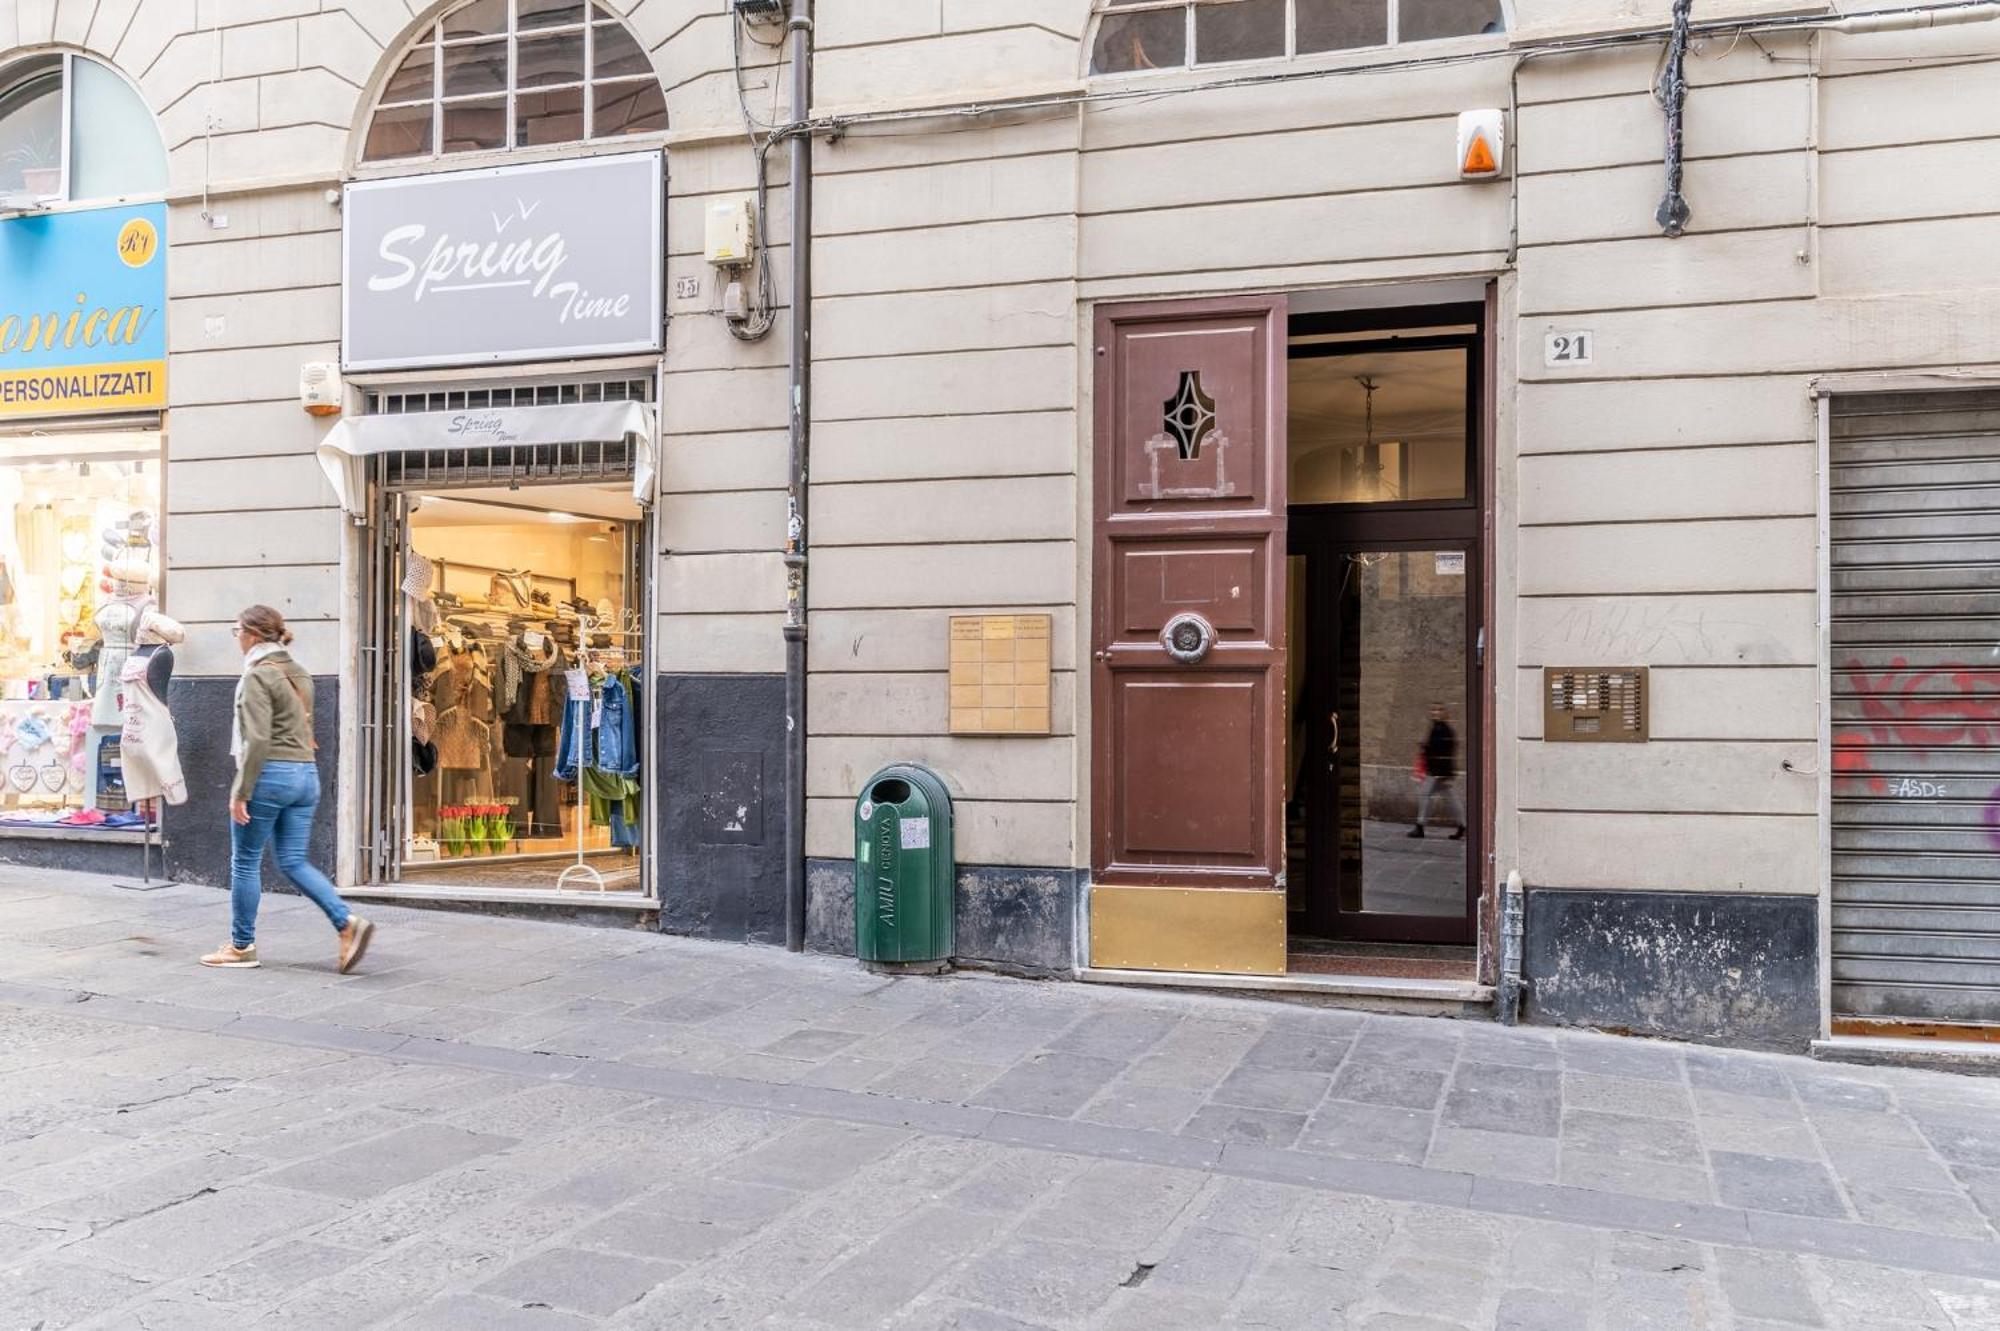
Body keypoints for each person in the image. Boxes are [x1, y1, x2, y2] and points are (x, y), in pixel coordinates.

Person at [200, 606, 375, 972]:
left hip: (270, 775)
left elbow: (258, 739)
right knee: (293, 860)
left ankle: (241, 946)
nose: (237, 639)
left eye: (237, 632)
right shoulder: (299, 672)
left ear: (250, 634)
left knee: (245, 862)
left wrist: (241, 790)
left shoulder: (256, 677)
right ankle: (346, 922)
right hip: (305, 775)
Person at [1409, 702, 1466, 841]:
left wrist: (1445, 774)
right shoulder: (1436, 728)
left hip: (1438, 772)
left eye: (1439, 709)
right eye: (1433, 709)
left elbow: (1447, 752)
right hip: (1438, 771)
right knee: (1450, 799)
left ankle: (1420, 826)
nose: (1436, 712)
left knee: (1425, 795)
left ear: (1445, 713)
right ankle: (1462, 825)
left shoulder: (1444, 730)